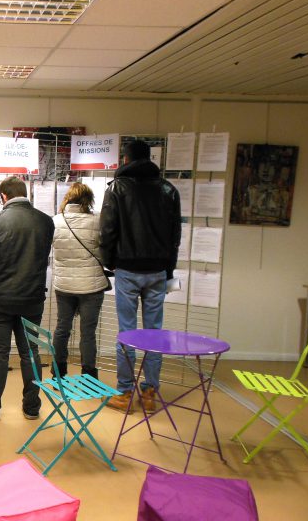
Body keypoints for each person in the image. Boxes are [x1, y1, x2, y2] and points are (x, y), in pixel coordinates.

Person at [99, 140, 181, 412]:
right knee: (154, 334)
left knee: (128, 332)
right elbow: (175, 237)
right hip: (157, 271)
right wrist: (169, 269)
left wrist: (110, 263)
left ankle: (124, 393)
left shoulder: (116, 189)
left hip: (127, 269)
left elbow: (107, 231)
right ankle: (149, 393)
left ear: (126, 159)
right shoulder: (169, 190)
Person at [0, 176, 55, 422]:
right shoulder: (46, 222)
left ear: (4, 196)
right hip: (32, 300)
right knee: (30, 352)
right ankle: (32, 407)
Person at [52, 182, 108, 380]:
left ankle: (58, 372)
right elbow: (105, 251)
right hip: (91, 287)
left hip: (64, 285)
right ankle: (88, 376)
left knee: (62, 328)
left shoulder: (55, 221)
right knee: (88, 333)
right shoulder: (97, 221)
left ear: (68, 199)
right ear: (88, 200)